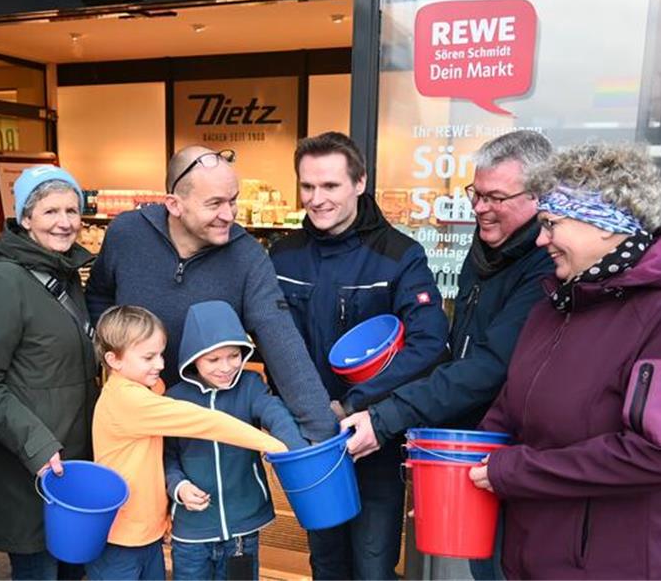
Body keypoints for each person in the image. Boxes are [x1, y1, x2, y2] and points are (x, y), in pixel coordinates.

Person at [468, 143, 661, 579]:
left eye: (551, 224)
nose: (541, 239)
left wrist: (516, 470)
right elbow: (511, 408)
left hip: (606, 566)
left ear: (604, 226)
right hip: (529, 554)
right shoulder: (555, 303)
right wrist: (461, 465)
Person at [339, 129, 554, 579]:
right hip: (472, 450)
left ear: (540, 196)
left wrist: (386, 417)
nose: (478, 208)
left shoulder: (545, 268)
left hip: (515, 456)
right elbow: (458, 351)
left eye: (495, 197)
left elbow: (491, 367)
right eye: (476, 193)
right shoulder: (486, 252)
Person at [269, 131, 450, 580]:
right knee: (326, 563)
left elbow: (429, 344)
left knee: (372, 566)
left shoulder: (399, 255)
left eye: (330, 186)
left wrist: (355, 403)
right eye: (307, 186)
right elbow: (270, 339)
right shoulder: (283, 255)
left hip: (374, 438)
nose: (316, 198)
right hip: (314, 443)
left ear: (359, 182)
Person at [85, 146, 337, 443]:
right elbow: (99, 297)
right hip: (140, 422)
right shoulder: (127, 234)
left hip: (211, 429)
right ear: (175, 205)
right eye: (214, 203)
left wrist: (323, 432)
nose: (228, 215)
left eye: (233, 201)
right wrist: (119, 365)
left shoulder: (247, 256)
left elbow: (281, 340)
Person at [0, 164, 98, 580]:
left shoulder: (66, 274)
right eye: (51, 211)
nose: (65, 222)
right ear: (26, 219)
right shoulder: (3, 282)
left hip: (70, 463)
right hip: (31, 467)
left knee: (74, 570)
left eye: (72, 211)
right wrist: (38, 446)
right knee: (39, 570)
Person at [87, 305, 288, 580]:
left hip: (146, 533)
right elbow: (207, 422)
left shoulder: (146, 390)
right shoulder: (129, 401)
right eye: (149, 357)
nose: (160, 364)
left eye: (160, 354)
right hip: (122, 536)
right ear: (114, 360)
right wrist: (274, 445)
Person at [164, 300, 310, 580]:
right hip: (192, 532)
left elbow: (275, 414)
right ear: (193, 357)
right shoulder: (174, 399)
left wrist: (295, 449)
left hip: (243, 530)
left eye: (233, 355)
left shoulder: (251, 385)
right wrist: (178, 487)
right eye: (213, 359)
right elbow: (167, 456)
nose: (226, 367)